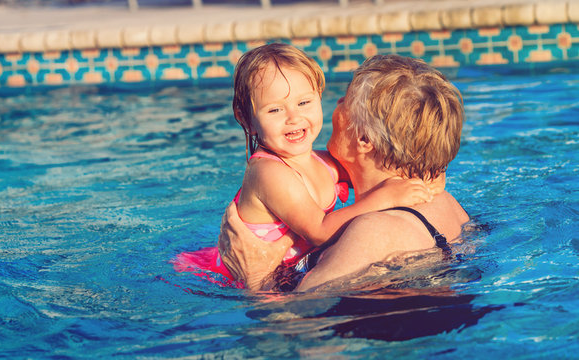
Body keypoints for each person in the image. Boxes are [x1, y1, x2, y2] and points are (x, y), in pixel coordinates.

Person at [174, 44, 433, 288]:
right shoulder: (269, 172)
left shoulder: (321, 161)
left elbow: (374, 170)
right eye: (275, 110)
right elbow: (319, 231)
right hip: (232, 278)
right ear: (247, 120)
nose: (293, 117)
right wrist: (385, 197)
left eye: (304, 102)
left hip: (286, 270)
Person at [218, 54, 468, 292]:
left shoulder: (369, 232)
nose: (335, 106)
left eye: (344, 101)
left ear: (364, 139)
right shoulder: (446, 203)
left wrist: (255, 277)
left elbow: (292, 321)